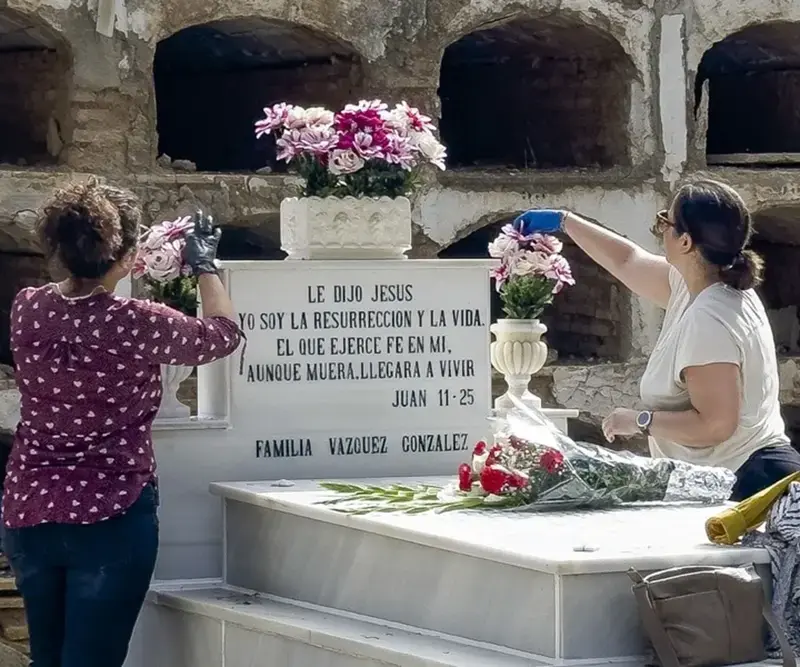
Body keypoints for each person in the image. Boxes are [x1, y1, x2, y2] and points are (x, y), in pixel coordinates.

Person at [2, 179, 242, 667]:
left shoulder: (27, 308)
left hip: (30, 508)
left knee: (47, 659)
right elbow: (221, 335)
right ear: (127, 254)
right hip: (110, 511)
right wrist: (203, 266)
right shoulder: (134, 321)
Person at [515, 178, 800, 502]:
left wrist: (640, 421)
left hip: (749, 487)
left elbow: (717, 425)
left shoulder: (710, 319)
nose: (660, 228)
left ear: (686, 242)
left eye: (665, 221)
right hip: (737, 480)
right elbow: (628, 261)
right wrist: (565, 221)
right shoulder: (704, 284)